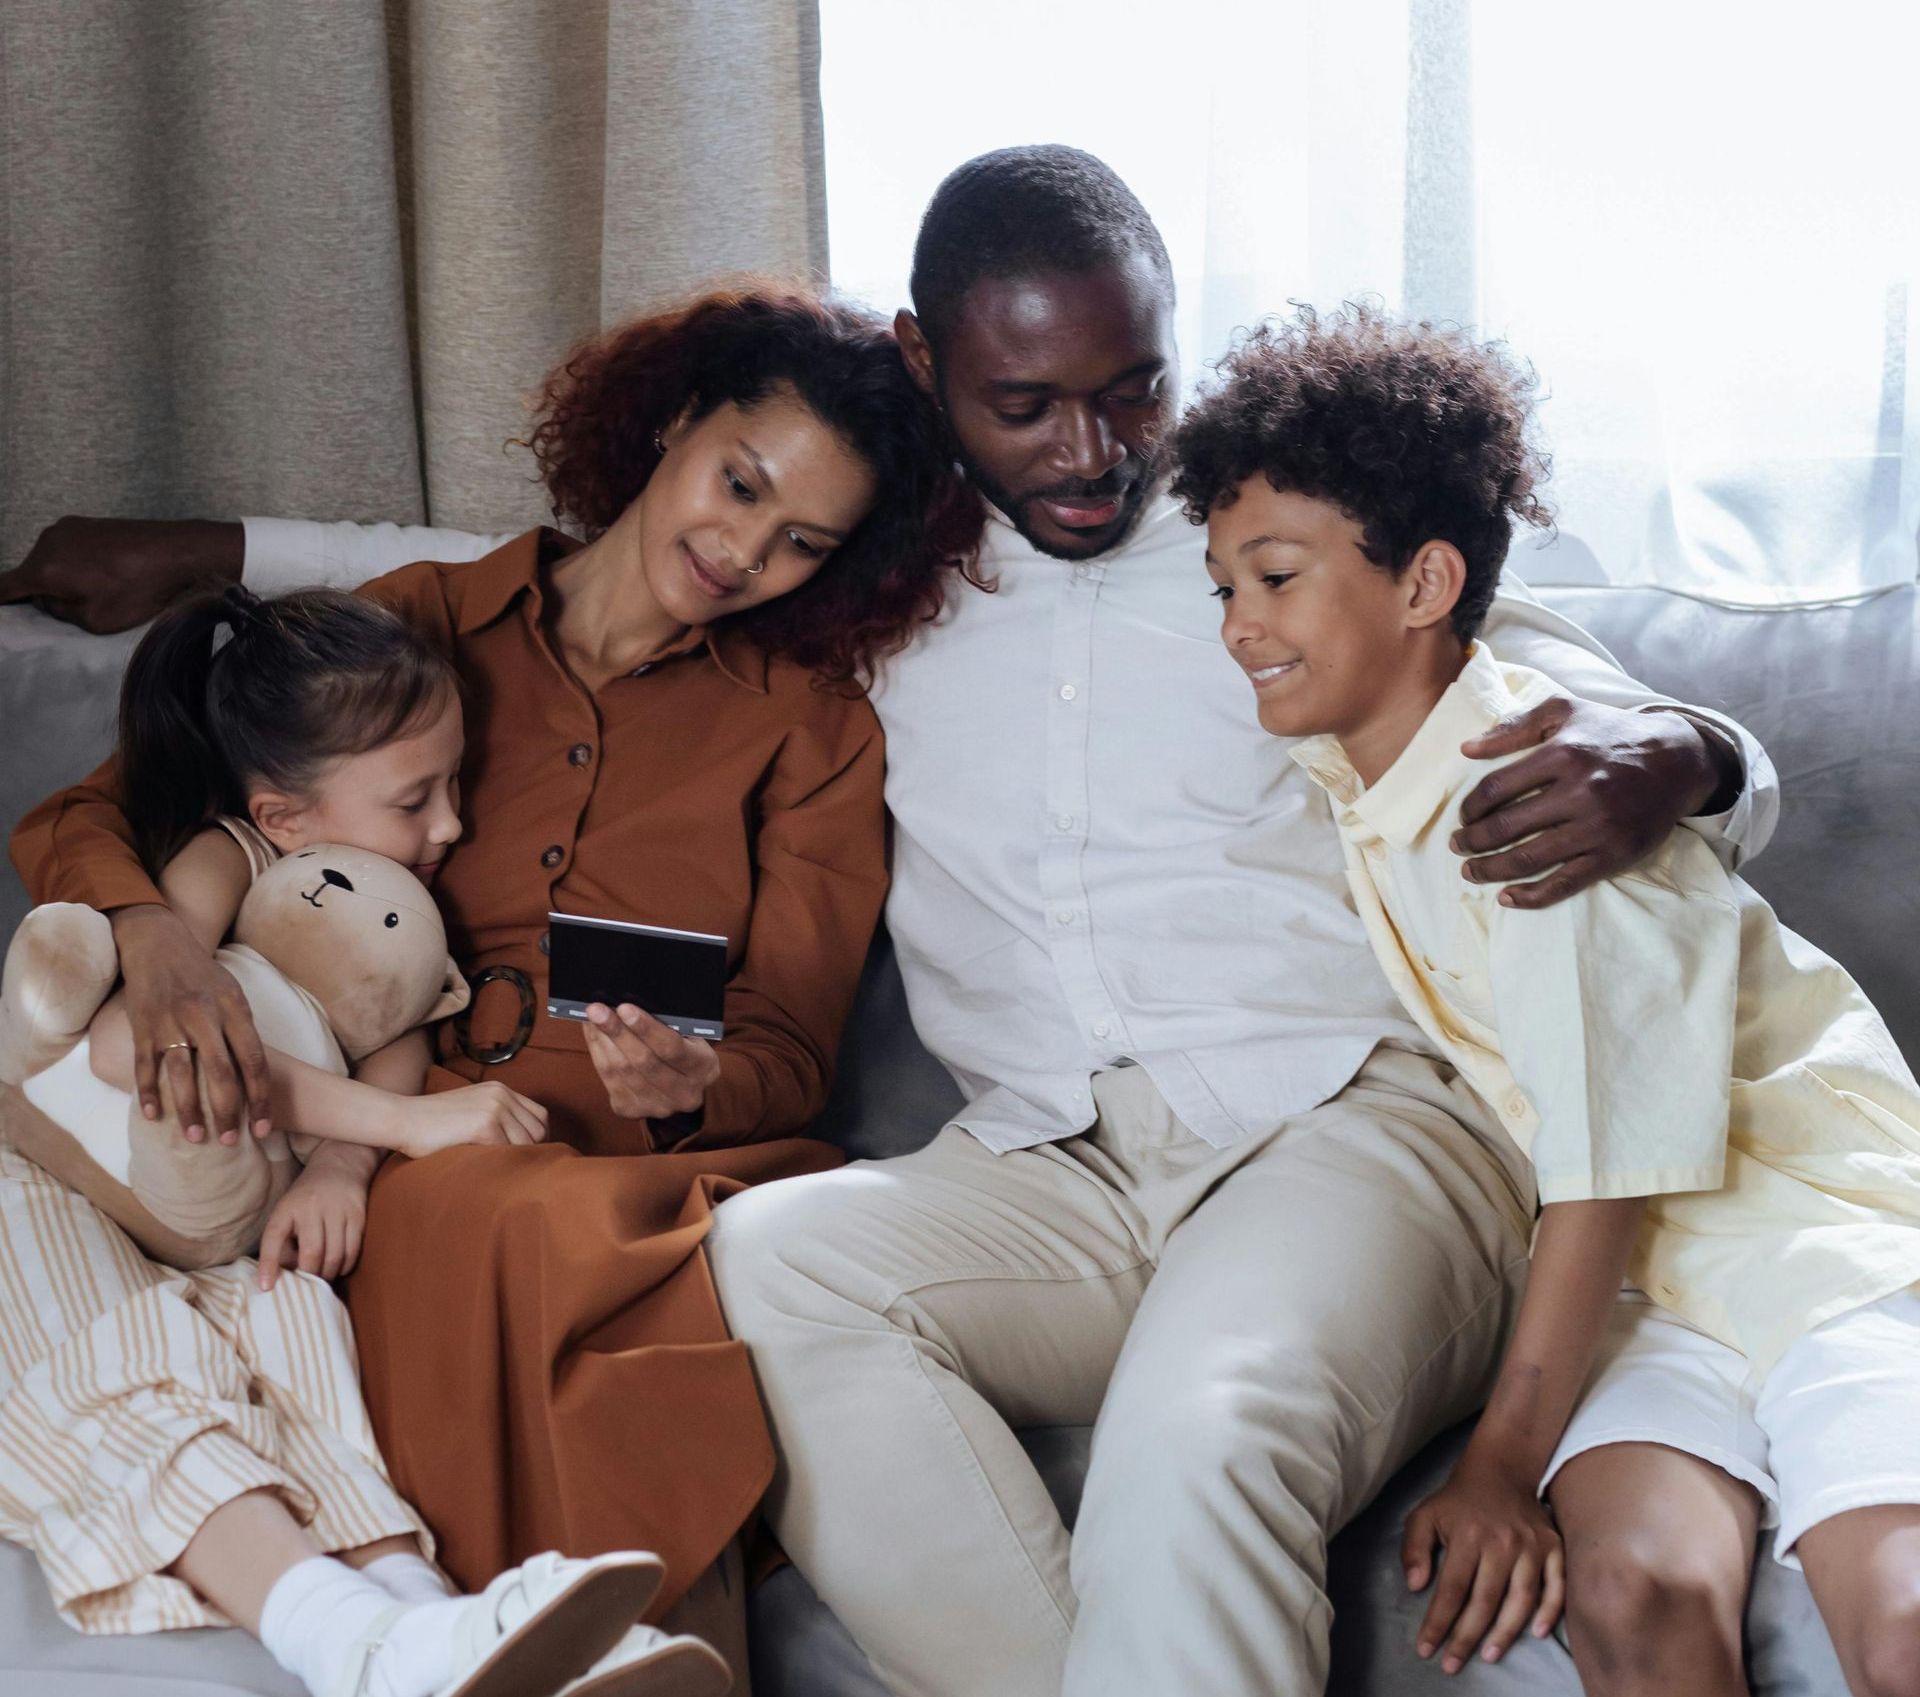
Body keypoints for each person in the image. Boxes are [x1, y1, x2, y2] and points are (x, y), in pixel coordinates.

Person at [6, 149, 1776, 1697]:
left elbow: (1554, 677)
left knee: (1198, 1418)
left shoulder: (1263, 529)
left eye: (1133, 389)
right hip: (1053, 1163)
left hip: (1338, 1117)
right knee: (769, 1268)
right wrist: (225, 544)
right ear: (933, 368)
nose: (1096, 452)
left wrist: (1689, 749)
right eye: (1029, 406)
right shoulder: (877, 586)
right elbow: (542, 563)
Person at [10, 285, 982, 1684]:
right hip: (390, 1129)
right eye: (739, 483)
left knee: (547, 1233)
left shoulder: (811, 733)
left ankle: (607, 1643)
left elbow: (787, 1046)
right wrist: (156, 941)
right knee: (463, 1216)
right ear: (674, 422)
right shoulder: (419, 623)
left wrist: (693, 1082)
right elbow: (94, 817)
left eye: (799, 543)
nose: (742, 550)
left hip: (633, 1155)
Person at [1176, 301, 1920, 1697]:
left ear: (1425, 583)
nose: (1239, 628)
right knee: (1635, 1593)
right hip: (1660, 1284)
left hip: (1828, 1229)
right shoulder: (1360, 770)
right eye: (1222, 587)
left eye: (1274, 578)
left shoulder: (1532, 797)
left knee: (1903, 1621)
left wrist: (1504, 1463)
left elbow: (1606, 1168)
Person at [0, 583, 728, 1697]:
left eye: (457, 783)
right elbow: (130, 1046)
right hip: (46, 1179)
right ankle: (346, 1640)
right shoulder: (223, 860)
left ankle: (431, 1621)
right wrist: (403, 1124)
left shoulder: (381, 904)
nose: (453, 825)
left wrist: (343, 1164)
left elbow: (397, 1030)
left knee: (297, 1330)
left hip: (218, 1216)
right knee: (134, 1358)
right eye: (416, 797)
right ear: (286, 815)